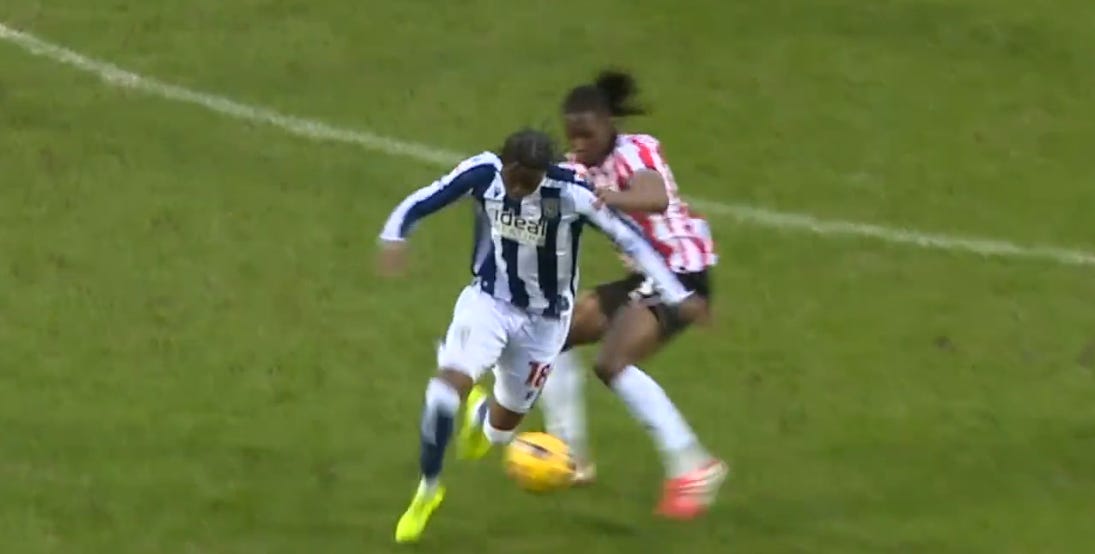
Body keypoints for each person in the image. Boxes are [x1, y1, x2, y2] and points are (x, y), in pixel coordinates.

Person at [378, 128, 705, 544]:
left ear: (543, 174)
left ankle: (480, 417)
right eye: (515, 180)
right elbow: (425, 199)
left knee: (501, 431)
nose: (518, 190)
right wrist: (394, 234)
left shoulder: (571, 194)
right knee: (442, 393)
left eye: (528, 183)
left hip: (545, 325)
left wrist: (677, 294)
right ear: (506, 165)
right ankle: (428, 489)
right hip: (488, 304)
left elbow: (632, 240)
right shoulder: (483, 172)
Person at [536, 70, 727, 519]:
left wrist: (608, 197)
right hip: (647, 275)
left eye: (587, 134)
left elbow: (654, 195)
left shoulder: (636, 150)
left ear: (608, 125)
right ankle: (569, 456)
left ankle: (692, 464)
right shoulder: (579, 168)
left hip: (682, 273)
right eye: (573, 136)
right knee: (554, 335)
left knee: (612, 364)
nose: (579, 143)